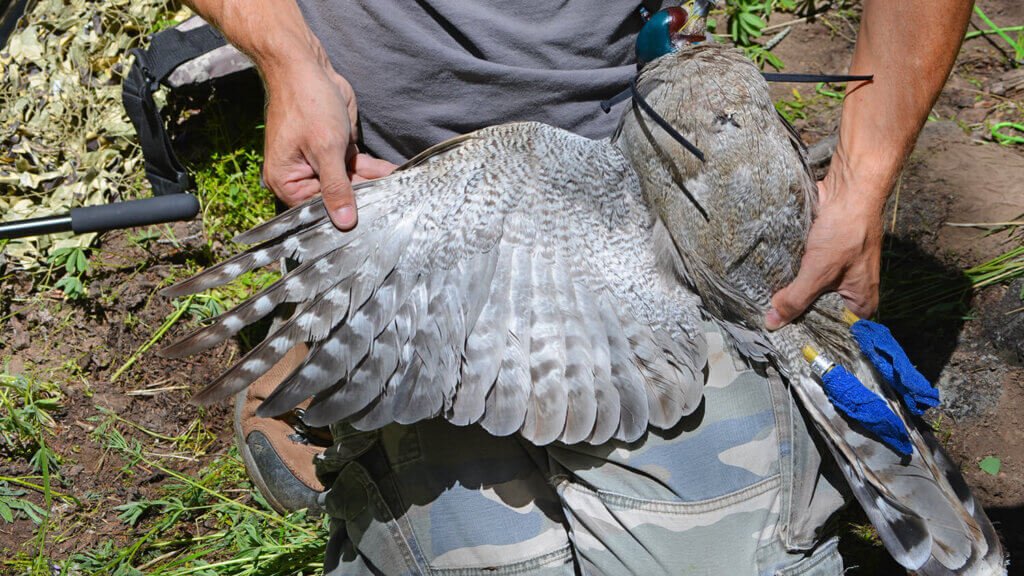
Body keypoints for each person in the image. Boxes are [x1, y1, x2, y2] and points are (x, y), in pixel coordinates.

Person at [181, 0, 974, 573]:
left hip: (655, 182)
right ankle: (338, 352)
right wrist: (286, 51)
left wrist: (863, 183)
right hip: (404, 193)